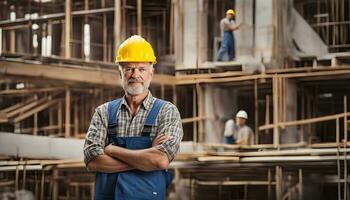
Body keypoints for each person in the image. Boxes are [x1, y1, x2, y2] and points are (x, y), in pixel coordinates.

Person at [83, 35, 183, 200]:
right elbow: (92, 161)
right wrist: (145, 159)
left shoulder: (167, 112)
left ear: (151, 72)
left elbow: (160, 161)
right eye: (129, 68)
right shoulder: (103, 112)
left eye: (141, 69)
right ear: (120, 72)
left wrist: (112, 150)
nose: (135, 75)